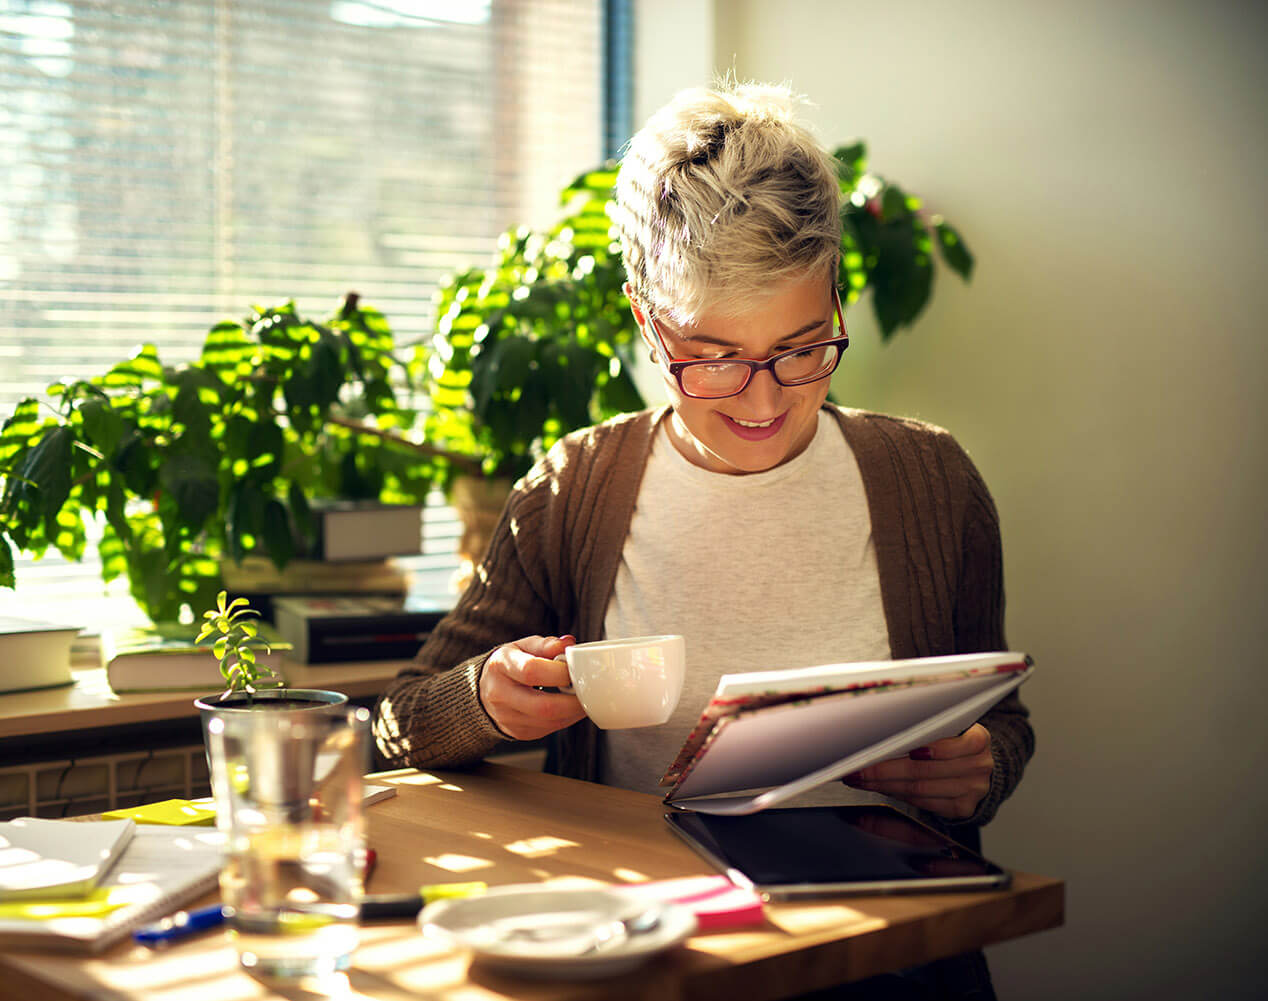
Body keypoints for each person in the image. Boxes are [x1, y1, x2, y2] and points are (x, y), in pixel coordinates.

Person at [373, 81, 1032, 998]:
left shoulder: (932, 482)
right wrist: (485, 699)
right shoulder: (575, 486)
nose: (762, 401)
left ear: (835, 297)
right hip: (654, 952)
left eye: (802, 348)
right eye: (715, 358)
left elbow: (1002, 723)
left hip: (885, 955)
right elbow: (398, 725)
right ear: (648, 322)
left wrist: (978, 768)